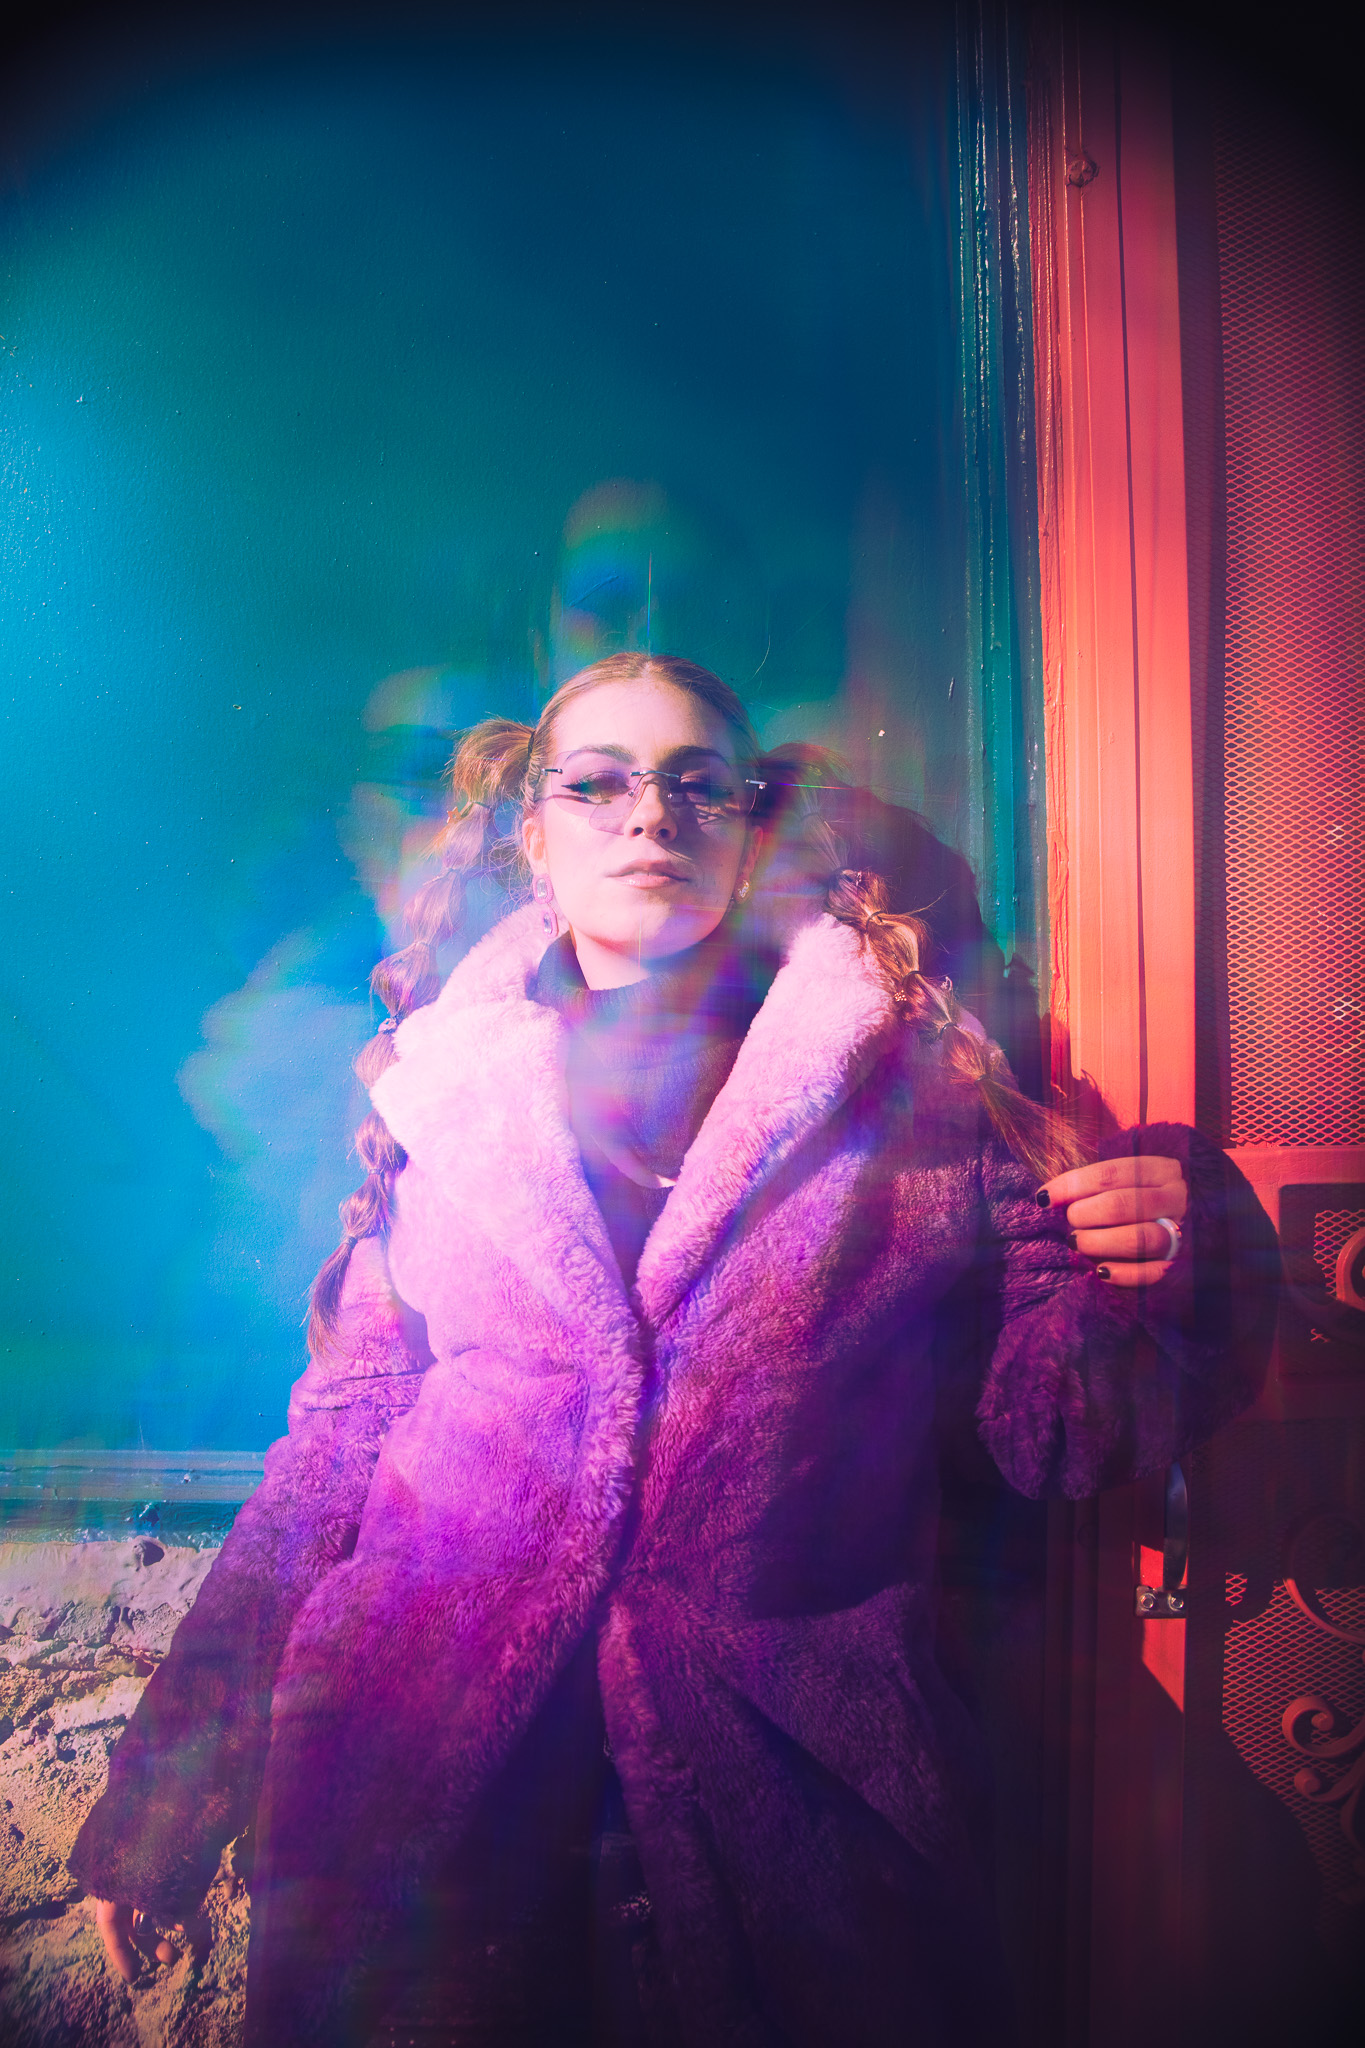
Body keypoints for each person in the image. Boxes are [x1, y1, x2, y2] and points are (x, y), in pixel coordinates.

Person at [72, 654, 1280, 2047]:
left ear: (749, 829)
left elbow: (1060, 1433)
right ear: (534, 837)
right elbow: (334, 1452)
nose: (650, 814)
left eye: (698, 783)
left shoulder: (910, 1103)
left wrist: (1184, 1253)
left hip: (792, 1828)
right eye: (596, 784)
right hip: (418, 1826)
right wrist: (166, 1800)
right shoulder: (439, 1099)